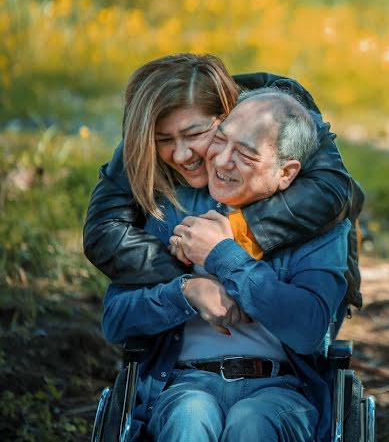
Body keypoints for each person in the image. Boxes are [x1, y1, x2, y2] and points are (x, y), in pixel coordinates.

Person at [102, 89, 349, 441]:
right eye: (220, 140)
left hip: (281, 389)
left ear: (286, 172)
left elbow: (309, 329)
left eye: (245, 153)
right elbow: (115, 318)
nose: (221, 161)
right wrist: (187, 292)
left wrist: (222, 254)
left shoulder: (319, 227)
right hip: (186, 383)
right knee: (190, 413)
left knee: (252, 422)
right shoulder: (171, 210)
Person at [83, 53, 363, 311]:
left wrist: (235, 232)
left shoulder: (280, 107)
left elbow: (331, 190)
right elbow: (104, 232)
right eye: (164, 140)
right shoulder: (144, 137)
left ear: (229, 114)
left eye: (195, 135)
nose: (181, 154)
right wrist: (191, 276)